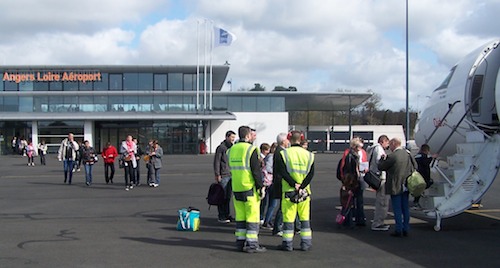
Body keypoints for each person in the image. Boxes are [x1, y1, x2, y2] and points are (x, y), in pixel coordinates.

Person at [228, 125, 266, 253]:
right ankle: (252, 244)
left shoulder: (232, 150)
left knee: (240, 217)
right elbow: (256, 171)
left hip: (236, 187)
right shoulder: (251, 149)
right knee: (252, 217)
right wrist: (261, 187)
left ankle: (240, 242)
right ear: (248, 135)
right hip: (249, 187)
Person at [276, 130, 315, 251]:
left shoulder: (284, 154)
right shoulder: (309, 155)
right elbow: (311, 174)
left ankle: (287, 244)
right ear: (301, 139)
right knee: (304, 219)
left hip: (289, 190)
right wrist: (302, 185)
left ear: (289, 139)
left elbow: (282, 172)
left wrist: (294, 184)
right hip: (304, 192)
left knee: (288, 219)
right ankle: (306, 244)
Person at [378, 137, 413, 237]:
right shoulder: (407, 154)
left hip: (395, 185)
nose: (390, 146)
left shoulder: (393, 156)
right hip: (406, 184)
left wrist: (382, 160)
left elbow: (381, 167)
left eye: (390, 144)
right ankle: (406, 228)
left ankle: (399, 229)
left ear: (394, 144)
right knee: (405, 208)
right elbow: (415, 166)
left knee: (397, 208)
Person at [340, 137, 366, 227]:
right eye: (359, 147)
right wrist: (344, 180)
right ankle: (348, 220)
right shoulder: (348, 154)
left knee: (359, 200)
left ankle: (360, 219)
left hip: (359, 178)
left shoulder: (362, 152)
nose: (360, 148)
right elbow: (344, 167)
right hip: (351, 179)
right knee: (349, 200)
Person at [213, 130, 236, 223]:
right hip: (224, 174)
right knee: (222, 196)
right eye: (232, 137)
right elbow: (217, 161)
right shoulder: (221, 148)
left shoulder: (233, 147)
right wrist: (217, 174)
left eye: (234, 138)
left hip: (231, 174)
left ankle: (227, 214)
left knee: (228, 196)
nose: (233, 140)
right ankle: (221, 215)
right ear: (227, 137)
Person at [370, 135, 391, 231]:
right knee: (382, 201)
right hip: (381, 178)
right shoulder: (378, 149)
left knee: (380, 200)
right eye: (387, 143)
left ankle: (378, 221)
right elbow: (380, 163)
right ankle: (378, 222)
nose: (388, 145)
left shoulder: (373, 149)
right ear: (383, 141)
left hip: (376, 177)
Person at [272, 133, 290, 237]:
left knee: (282, 206)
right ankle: (277, 227)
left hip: (279, 181)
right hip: (280, 182)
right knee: (282, 206)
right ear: (283, 141)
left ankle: (279, 226)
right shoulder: (281, 153)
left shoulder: (279, 151)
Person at [261, 142, 279, 230]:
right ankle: (267, 221)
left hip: (267, 182)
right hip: (270, 182)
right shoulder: (271, 157)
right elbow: (268, 168)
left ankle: (267, 219)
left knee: (268, 203)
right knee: (272, 204)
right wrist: (276, 171)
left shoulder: (268, 157)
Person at [413, 144, 435, 208]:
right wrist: (431, 158)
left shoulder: (417, 156)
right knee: (427, 184)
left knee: (419, 188)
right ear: (426, 150)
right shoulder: (423, 157)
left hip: (417, 175)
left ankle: (417, 200)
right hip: (424, 175)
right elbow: (425, 163)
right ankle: (416, 202)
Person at [259, 143, 272, 225]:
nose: (268, 152)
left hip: (266, 181)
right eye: (267, 150)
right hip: (263, 181)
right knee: (263, 201)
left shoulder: (266, 157)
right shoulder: (260, 158)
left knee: (265, 201)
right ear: (263, 150)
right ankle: (260, 216)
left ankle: (262, 216)